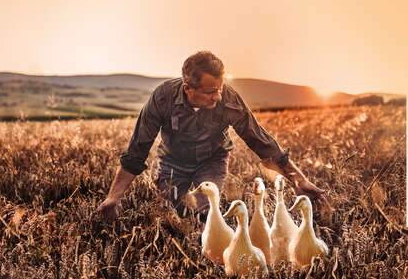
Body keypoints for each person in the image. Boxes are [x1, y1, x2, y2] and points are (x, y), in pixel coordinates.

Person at [96, 51, 325, 222]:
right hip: (172, 162)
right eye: (210, 92)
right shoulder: (162, 98)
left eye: (220, 88)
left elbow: (260, 140)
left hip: (212, 160)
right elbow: (137, 150)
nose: (218, 97)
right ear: (188, 89)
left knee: (208, 214)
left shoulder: (228, 99)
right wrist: (113, 197)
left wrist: (299, 180)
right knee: (171, 218)